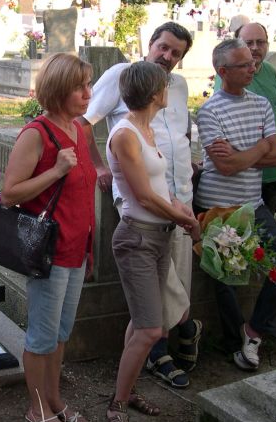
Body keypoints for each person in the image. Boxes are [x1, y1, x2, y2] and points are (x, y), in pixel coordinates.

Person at [79, 21, 203, 390]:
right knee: (159, 278)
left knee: (176, 272)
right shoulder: (123, 75)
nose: (167, 56)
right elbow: (84, 122)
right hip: (140, 195)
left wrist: (191, 166)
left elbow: (181, 131)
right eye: (163, 47)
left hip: (179, 191)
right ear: (150, 44)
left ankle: (170, 337)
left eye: (176, 52)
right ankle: (163, 345)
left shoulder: (178, 86)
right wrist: (98, 166)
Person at [1, 53, 96, 422]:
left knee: (60, 333)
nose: (88, 94)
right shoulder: (36, 134)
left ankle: (54, 398)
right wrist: (56, 170)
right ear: (57, 90)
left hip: (77, 250)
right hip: (50, 253)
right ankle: (36, 407)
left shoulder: (79, 130)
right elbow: (9, 193)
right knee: (42, 335)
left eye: (89, 85)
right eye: (79, 87)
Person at [105, 61, 200, 422]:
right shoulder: (125, 134)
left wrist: (179, 207)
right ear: (155, 93)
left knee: (141, 322)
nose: (168, 90)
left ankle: (126, 391)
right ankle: (116, 405)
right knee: (150, 329)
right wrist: (186, 222)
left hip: (157, 236)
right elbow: (143, 196)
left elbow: (160, 187)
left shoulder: (147, 129)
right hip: (138, 239)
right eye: (165, 85)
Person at [194, 39, 276, 371]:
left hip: (253, 205)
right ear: (223, 71)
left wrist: (244, 154)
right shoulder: (209, 111)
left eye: (253, 63)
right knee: (225, 278)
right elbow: (226, 167)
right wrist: (260, 148)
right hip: (218, 208)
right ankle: (233, 341)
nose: (253, 68)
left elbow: (275, 156)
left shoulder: (262, 104)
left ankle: (254, 331)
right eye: (244, 65)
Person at [215, 22, 276, 214]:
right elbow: (228, 150)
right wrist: (262, 150)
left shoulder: (270, 71)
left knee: (267, 229)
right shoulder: (229, 77)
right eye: (249, 43)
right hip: (244, 181)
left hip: (272, 176)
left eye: (260, 42)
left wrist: (244, 157)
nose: (255, 48)